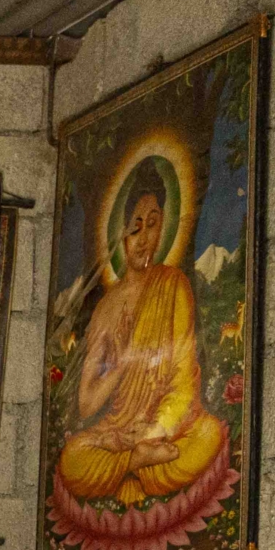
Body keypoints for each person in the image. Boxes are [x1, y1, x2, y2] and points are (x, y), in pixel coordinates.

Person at [54, 161, 226, 509]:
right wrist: (119, 366)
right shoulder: (106, 307)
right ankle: (136, 463)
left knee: (208, 437)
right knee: (72, 459)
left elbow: (182, 375)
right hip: (117, 431)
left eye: (153, 225)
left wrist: (156, 428)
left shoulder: (172, 283)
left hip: (164, 427)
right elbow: (87, 403)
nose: (144, 239)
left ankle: (136, 460)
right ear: (120, 231)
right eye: (135, 227)